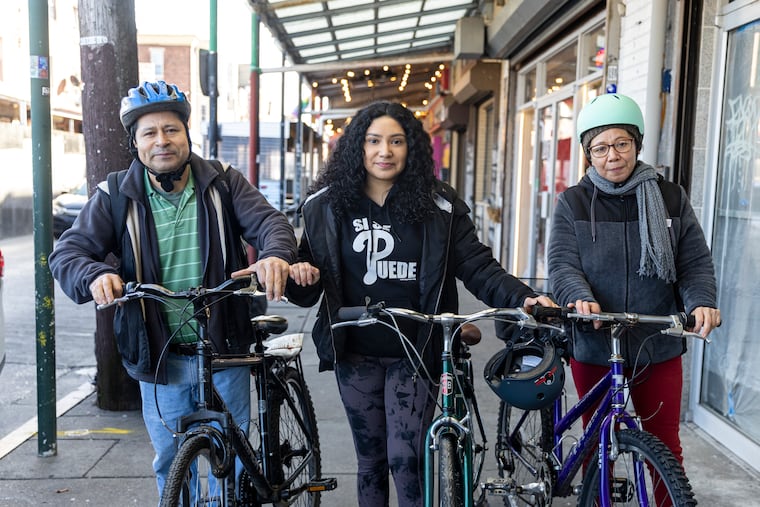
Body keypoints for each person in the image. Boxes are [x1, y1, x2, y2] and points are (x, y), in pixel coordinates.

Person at [285, 101, 555, 507]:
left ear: (411, 148)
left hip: (418, 350)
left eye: (396, 141)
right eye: (374, 141)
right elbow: (307, 286)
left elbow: (478, 266)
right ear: (358, 146)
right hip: (354, 351)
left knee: (406, 458)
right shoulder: (326, 205)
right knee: (371, 460)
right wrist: (299, 273)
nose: (384, 151)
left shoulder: (439, 206)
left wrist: (523, 297)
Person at [49, 80, 296, 497]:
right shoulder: (115, 195)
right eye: (149, 132)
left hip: (226, 343)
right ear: (136, 142)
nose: (161, 141)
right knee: (170, 458)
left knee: (234, 455)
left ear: (186, 134)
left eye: (171, 130)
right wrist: (93, 275)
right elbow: (68, 253)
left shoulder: (223, 182)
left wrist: (274, 255)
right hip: (160, 351)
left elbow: (271, 223)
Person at [547, 92, 721, 467]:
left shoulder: (670, 197)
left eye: (622, 143)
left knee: (665, 447)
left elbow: (693, 262)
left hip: (655, 343)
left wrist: (701, 300)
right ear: (588, 154)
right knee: (597, 446)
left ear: (637, 143)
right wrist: (579, 297)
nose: (613, 156)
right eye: (600, 148)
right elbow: (563, 265)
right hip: (594, 339)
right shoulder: (573, 202)